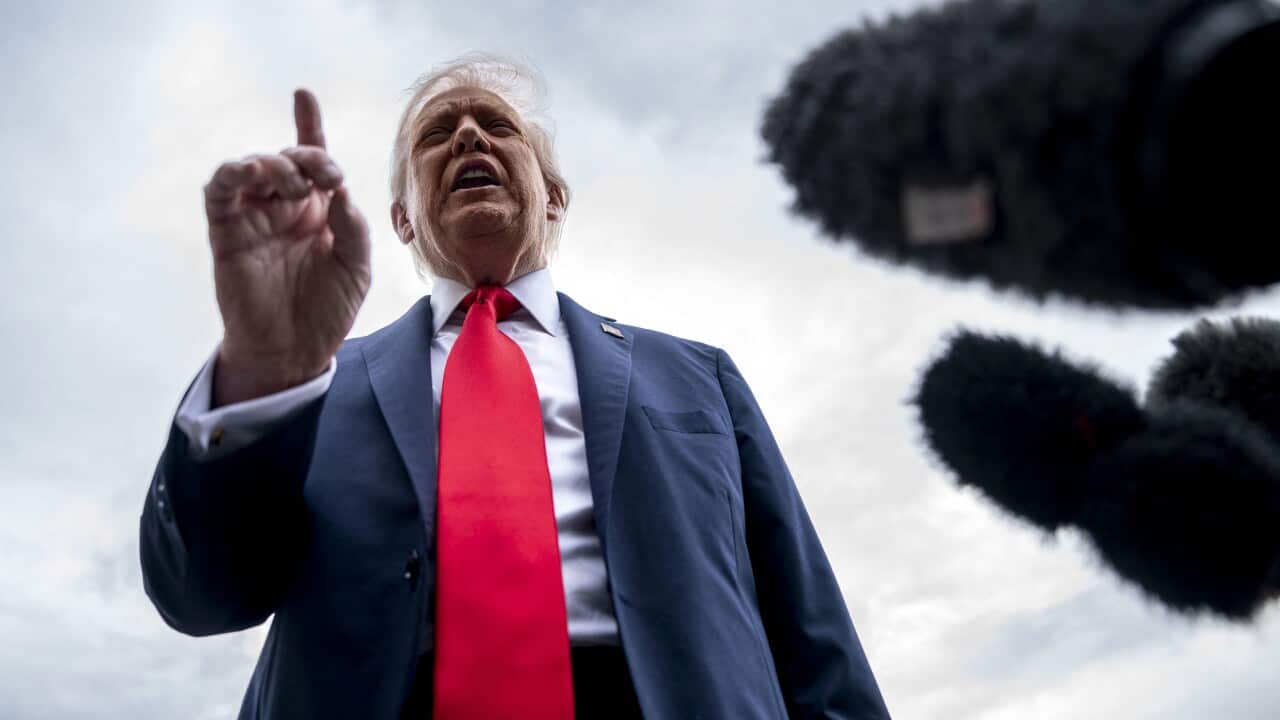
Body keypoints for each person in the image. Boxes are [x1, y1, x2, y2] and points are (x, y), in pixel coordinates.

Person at [139, 55, 891, 719]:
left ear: (553, 194)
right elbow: (202, 598)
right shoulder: (313, 388)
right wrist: (265, 362)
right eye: (438, 134)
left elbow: (814, 636)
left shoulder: (699, 377)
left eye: (496, 124)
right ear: (402, 219)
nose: (468, 136)